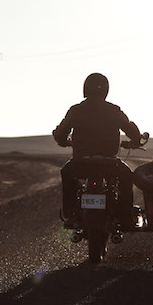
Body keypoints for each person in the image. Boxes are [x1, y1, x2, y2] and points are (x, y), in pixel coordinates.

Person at [53, 73, 143, 226]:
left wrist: (63, 141)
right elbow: (131, 130)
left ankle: (70, 214)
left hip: (81, 163)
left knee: (66, 173)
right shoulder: (114, 110)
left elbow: (61, 133)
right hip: (109, 163)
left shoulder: (76, 110)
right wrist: (136, 140)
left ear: (86, 89)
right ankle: (125, 216)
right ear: (106, 90)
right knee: (127, 176)